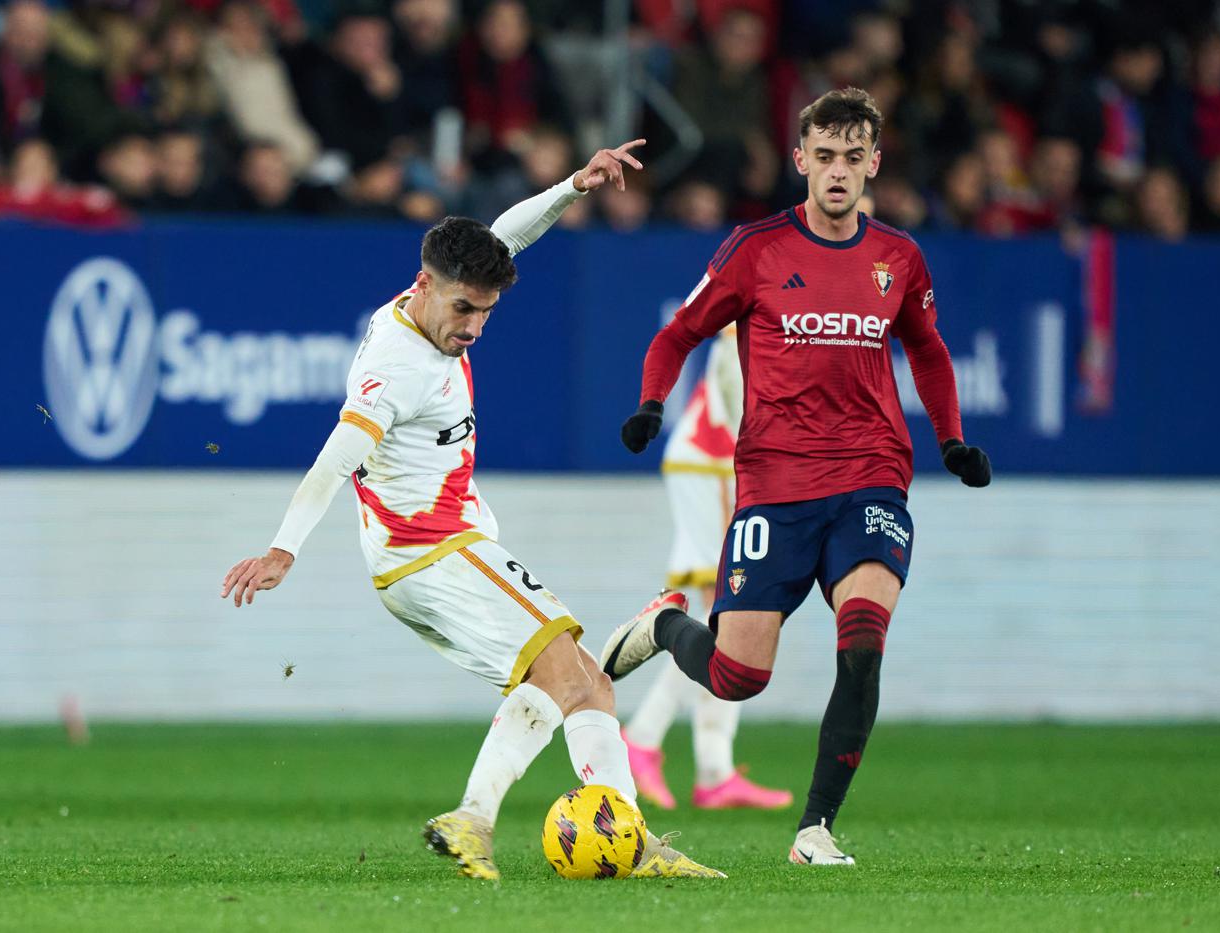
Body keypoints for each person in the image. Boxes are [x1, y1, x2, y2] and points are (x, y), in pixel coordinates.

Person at [220, 138, 722, 882]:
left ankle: (630, 838)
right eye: (463, 309)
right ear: (425, 286)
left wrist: (573, 187)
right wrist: (283, 548)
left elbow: (504, 235)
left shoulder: (425, 302)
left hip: (427, 556)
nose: (473, 328)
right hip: (436, 549)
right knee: (559, 665)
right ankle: (473, 818)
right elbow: (337, 456)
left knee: (588, 677)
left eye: (485, 312)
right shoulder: (396, 368)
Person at [602, 88, 991, 867]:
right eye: (825, 157)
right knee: (737, 675)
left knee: (864, 644)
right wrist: (650, 404)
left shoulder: (899, 258)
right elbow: (678, 334)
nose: (838, 172)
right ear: (800, 161)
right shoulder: (755, 249)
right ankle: (666, 625)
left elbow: (930, 351)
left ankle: (816, 828)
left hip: (872, 474)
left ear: (874, 163)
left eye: (854, 158)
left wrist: (949, 441)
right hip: (775, 484)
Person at [622, 326, 793, 811]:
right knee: (733, 615)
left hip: (704, 462)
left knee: (726, 618)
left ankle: (708, 764)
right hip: (713, 466)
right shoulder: (761, 323)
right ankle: (649, 739)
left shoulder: (758, 316)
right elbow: (740, 401)